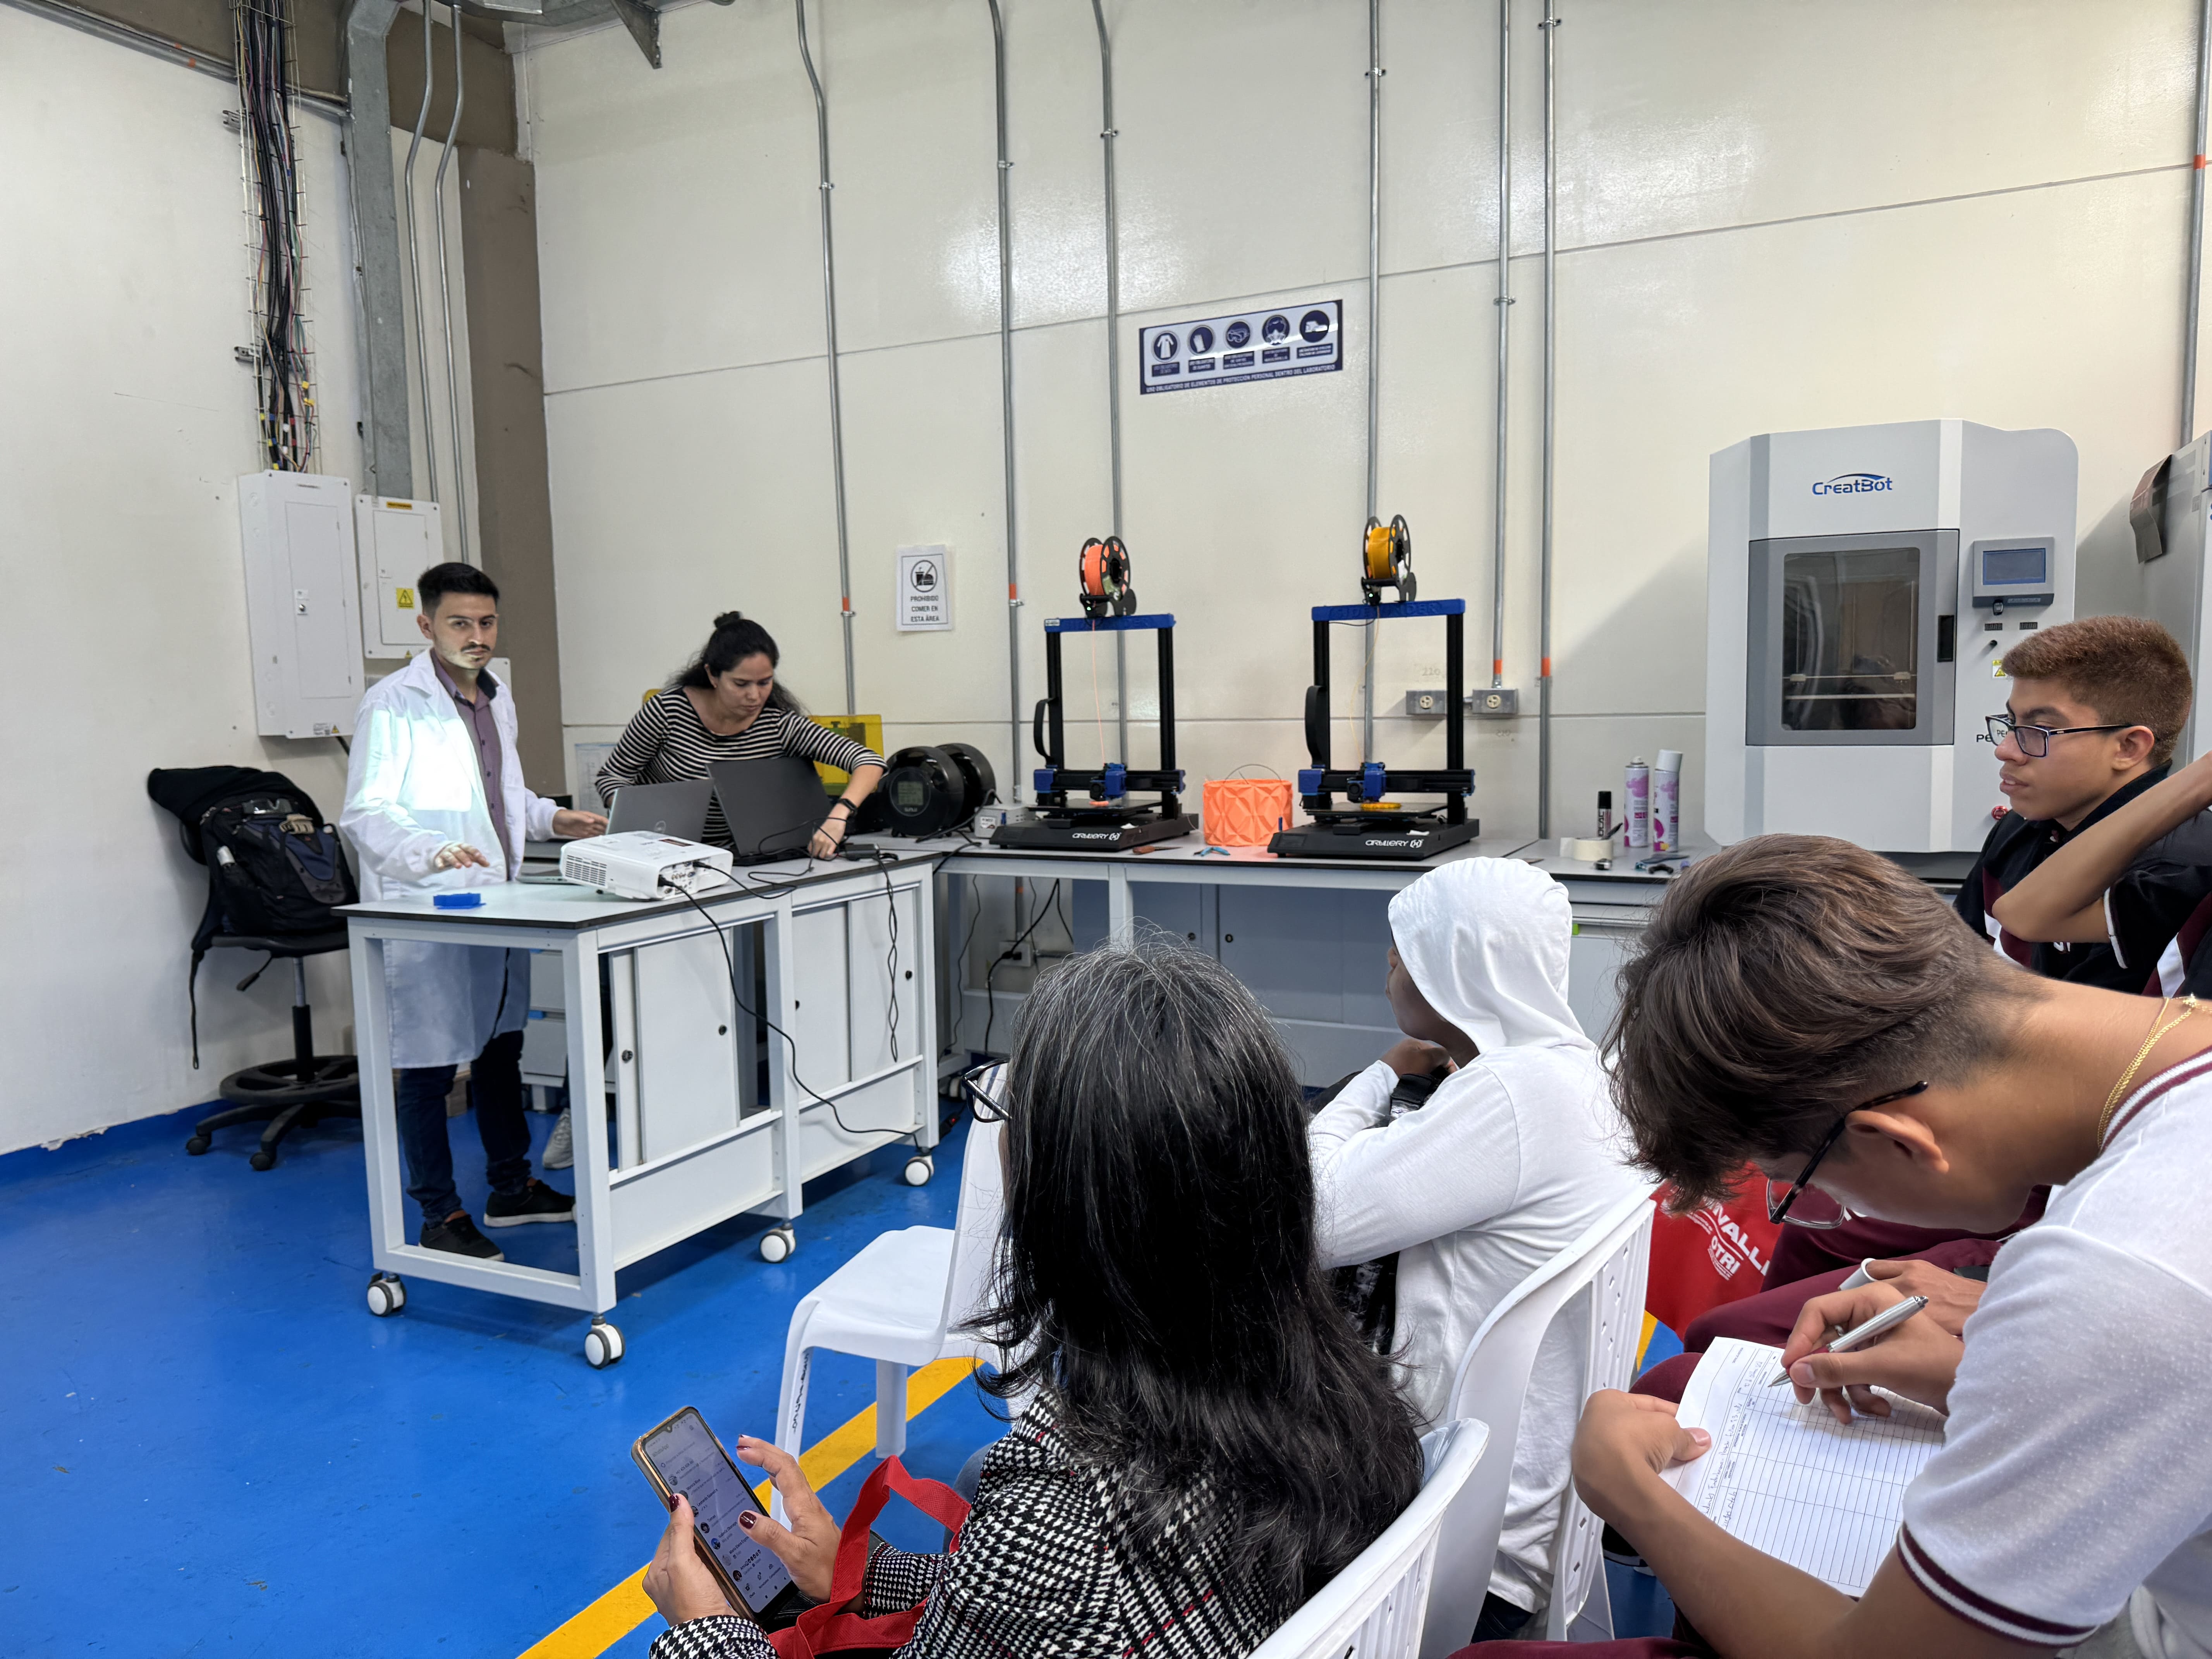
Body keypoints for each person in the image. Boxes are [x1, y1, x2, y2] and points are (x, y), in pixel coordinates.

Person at [1508, 833, 2212, 1659]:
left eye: (1799, 1188)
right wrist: (1987, 1373)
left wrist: (1630, 1494)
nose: (1823, 1214)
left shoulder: (2116, 1271)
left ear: (1895, 1139)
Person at [640, 941, 1426, 1658]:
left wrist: (707, 1632)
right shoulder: (1337, 1386)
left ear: (1074, 1204)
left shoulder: (1060, 1518)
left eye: (1013, 1113)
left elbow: (1047, 1596)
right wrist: (865, 1572)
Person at [1762, 613, 2193, 1288]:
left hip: (2079, 1168)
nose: (2006, 751)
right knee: (1809, 1226)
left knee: (1798, 1284)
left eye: (2038, 732)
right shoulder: (2022, 837)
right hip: (1988, 1120)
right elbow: (1945, 978)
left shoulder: (2176, 870)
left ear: (2129, 746)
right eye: (2009, 724)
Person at [1306, 858, 1644, 1642]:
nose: (1390, 967)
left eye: (1403, 952)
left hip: (1451, 1543)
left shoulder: (1512, 1096)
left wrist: (1376, 1076)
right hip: (1523, 1511)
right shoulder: (1581, 1075)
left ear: (1449, 969)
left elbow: (1314, 1215)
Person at [340, 563, 605, 1260]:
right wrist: (429, 850)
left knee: (500, 1049)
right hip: (426, 907)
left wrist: (551, 819)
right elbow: (367, 812)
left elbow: (499, 796)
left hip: (496, 902)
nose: (477, 636)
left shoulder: (496, 697)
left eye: (487, 622)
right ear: (426, 625)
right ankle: (439, 1214)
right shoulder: (392, 704)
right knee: (429, 1065)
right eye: (460, 623)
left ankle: (510, 1188)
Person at [597, 611, 884, 859]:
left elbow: (868, 761)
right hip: (661, 854)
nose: (754, 696)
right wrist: (635, 816)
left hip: (737, 859)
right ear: (712, 675)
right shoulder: (669, 711)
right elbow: (612, 776)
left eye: (765, 683)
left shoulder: (778, 725)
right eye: (741, 684)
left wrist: (839, 816)